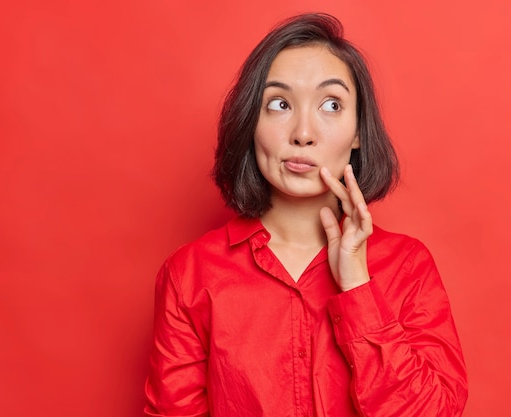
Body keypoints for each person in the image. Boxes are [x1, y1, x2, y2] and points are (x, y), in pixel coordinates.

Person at [144, 13, 468, 417]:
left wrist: (356, 287)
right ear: (250, 123)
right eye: (279, 104)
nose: (302, 132)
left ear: (357, 132)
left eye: (331, 105)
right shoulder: (190, 275)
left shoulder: (408, 267)